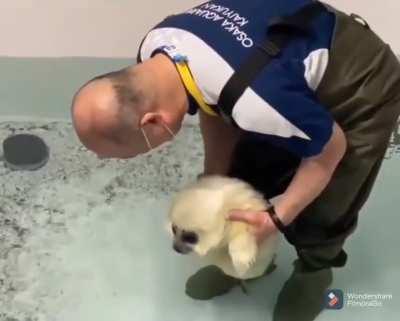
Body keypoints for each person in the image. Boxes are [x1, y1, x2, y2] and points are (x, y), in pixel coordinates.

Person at [71, 0, 400, 319]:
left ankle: (315, 272)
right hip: (282, 58)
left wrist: (278, 217)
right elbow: (212, 99)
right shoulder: (155, 50)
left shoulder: (257, 98)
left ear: (154, 122)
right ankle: (244, 263)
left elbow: (330, 149)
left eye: (136, 151)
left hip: (360, 83)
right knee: (242, 177)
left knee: (327, 202)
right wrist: (215, 178)